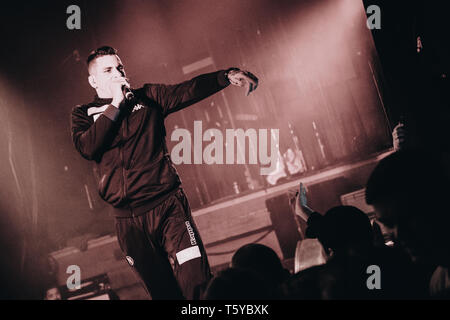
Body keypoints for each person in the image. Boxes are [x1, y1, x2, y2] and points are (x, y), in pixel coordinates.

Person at [70, 46, 259, 299]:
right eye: (108, 70)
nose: (118, 73)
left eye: (120, 67)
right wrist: (115, 103)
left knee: (197, 284)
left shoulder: (149, 98)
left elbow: (188, 89)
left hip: (169, 208)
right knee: (163, 293)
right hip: (129, 223)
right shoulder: (83, 114)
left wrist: (225, 76)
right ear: (94, 81)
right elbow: (88, 146)